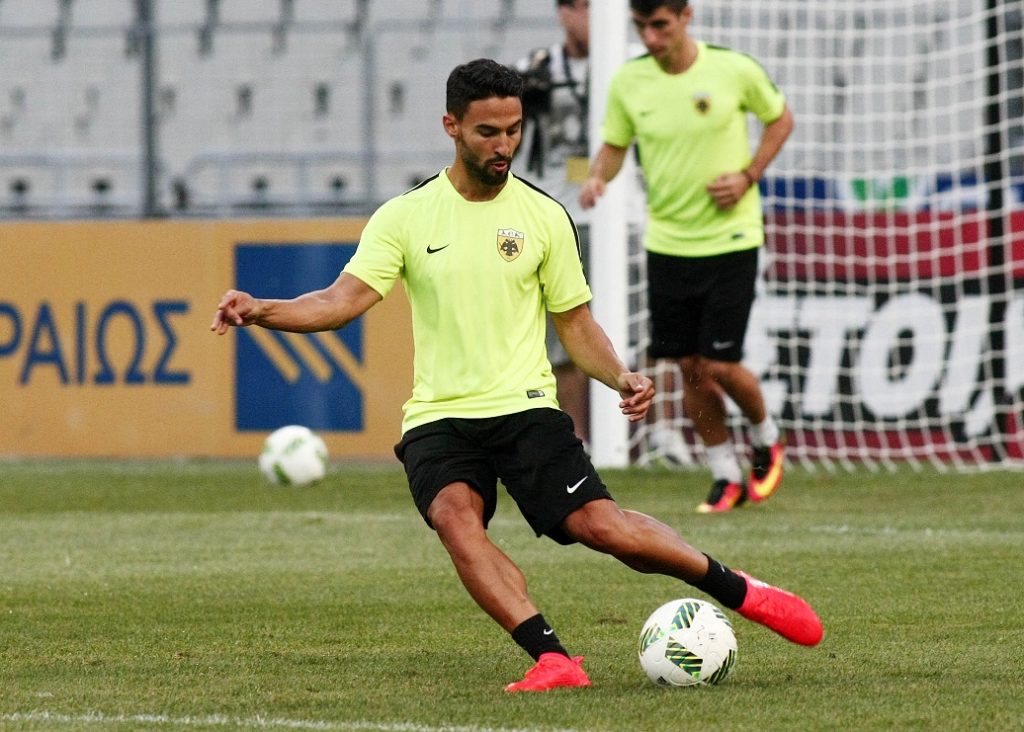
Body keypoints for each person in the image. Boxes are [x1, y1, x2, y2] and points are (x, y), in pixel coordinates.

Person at [211, 58, 821, 693]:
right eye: (488, 132)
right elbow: (339, 302)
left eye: (514, 130)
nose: (504, 145)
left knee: (602, 528)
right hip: (440, 415)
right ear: (451, 126)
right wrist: (262, 310)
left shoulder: (544, 216)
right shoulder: (405, 217)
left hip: (525, 406)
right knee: (455, 518)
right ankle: (554, 659)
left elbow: (575, 324)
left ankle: (739, 589)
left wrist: (620, 376)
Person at [580, 0, 792, 514]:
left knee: (720, 363)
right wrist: (596, 178)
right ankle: (724, 474)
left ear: (685, 17)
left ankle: (766, 438)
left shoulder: (732, 69)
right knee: (689, 367)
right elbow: (615, 145)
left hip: (731, 239)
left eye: (661, 25)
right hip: (668, 244)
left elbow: (780, 120)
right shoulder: (630, 82)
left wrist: (748, 176)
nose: (651, 38)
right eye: (641, 27)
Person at [513, 0, 592, 446]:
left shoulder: (631, 68)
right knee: (564, 331)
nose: (588, 17)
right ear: (562, 12)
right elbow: (503, 124)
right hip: (558, 214)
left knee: (639, 332)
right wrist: (524, 97)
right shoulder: (536, 67)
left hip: (622, 215)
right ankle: (575, 436)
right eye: (580, 7)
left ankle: (657, 436)